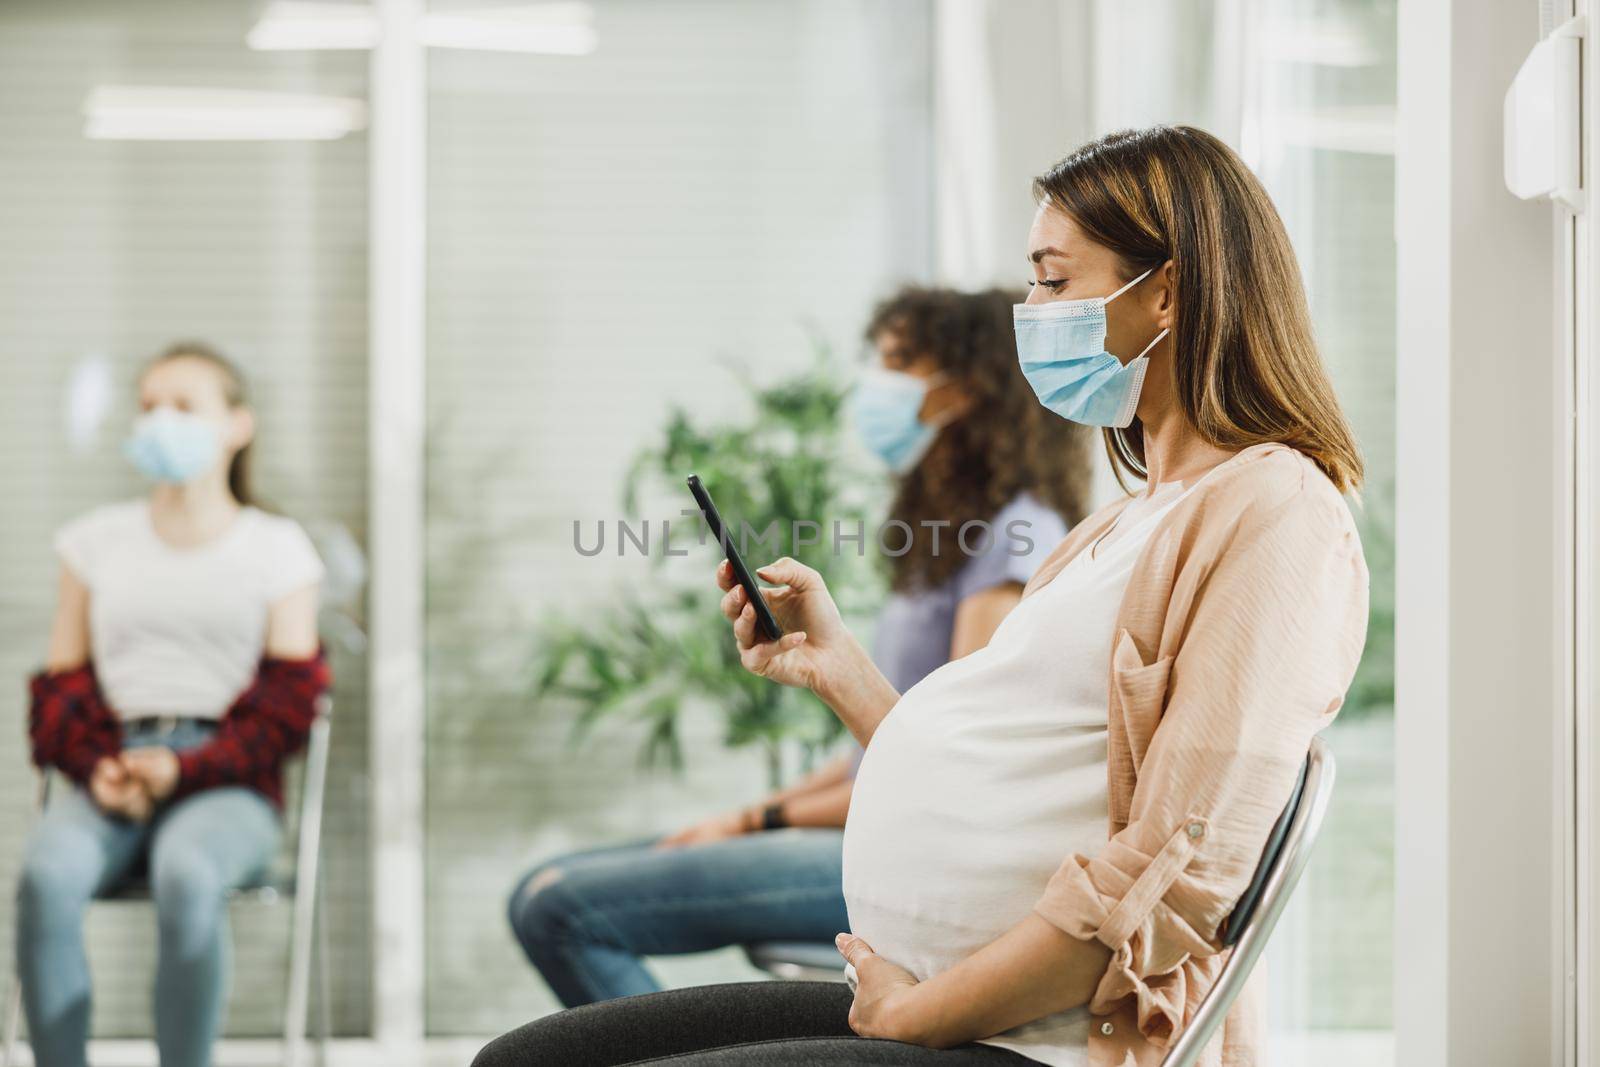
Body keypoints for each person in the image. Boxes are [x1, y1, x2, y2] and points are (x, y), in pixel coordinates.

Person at [475, 124, 1369, 1067]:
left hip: (1037, 1041)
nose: (1032, 309)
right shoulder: (1123, 521)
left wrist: (921, 1015)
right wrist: (842, 673)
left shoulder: (1275, 514)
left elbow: (1176, 868)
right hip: (943, 1002)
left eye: (1055, 281)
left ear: (1170, 291)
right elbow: (999, 762)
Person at [506, 288, 1094, 1008]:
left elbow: (947, 762)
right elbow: (870, 743)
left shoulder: (1015, 535)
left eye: (899, 363)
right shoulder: (955, 536)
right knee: (546, 884)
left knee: (560, 907)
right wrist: (753, 811)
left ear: (966, 389)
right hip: (870, 819)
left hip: (911, 852)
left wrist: (755, 823)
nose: (875, 384)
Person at [18, 342, 330, 1067]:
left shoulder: (278, 549)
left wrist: (181, 770)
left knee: (187, 870)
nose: (161, 419)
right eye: (149, 404)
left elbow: (289, 705)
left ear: (237, 425)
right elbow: (60, 690)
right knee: (46, 874)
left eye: (184, 405)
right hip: (113, 763)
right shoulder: (93, 542)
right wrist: (100, 765)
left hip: (229, 778)